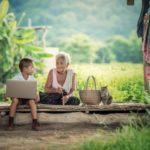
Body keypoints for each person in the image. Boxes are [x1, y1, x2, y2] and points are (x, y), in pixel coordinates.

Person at [7, 58, 40, 131]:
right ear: (25, 69)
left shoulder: (32, 79)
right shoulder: (16, 78)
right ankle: (10, 122)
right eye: (31, 67)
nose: (33, 69)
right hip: (18, 100)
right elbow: (11, 91)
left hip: (28, 99)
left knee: (32, 101)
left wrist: (37, 95)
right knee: (15, 100)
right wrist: (12, 96)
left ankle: (35, 122)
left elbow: (35, 91)